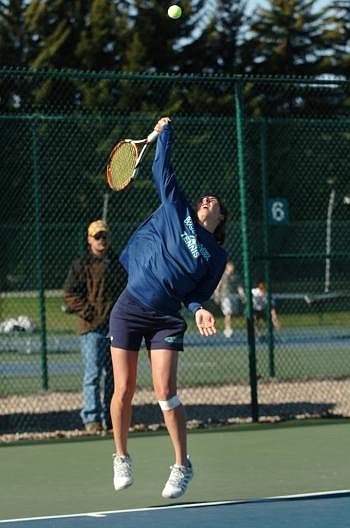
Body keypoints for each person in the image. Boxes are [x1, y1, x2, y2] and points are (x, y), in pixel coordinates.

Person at [109, 116, 228, 499]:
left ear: (221, 218)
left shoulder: (215, 257)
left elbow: (195, 293)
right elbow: (162, 167)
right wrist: (166, 132)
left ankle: (182, 465)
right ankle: (121, 455)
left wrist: (199, 309)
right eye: (205, 198)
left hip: (165, 319)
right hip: (129, 308)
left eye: (216, 202)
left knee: (165, 393)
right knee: (124, 389)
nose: (207, 200)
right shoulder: (178, 210)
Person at [63, 219, 127, 433]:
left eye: (104, 236)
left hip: (115, 328)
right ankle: (91, 418)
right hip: (91, 328)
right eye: (97, 236)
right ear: (89, 239)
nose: (101, 240)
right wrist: (90, 313)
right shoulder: (81, 264)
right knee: (93, 374)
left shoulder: (117, 263)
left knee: (114, 374)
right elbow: (70, 295)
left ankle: (111, 417)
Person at [214, 259, 246, 338]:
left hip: (234, 296)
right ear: (227, 267)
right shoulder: (222, 276)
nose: (232, 267)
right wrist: (217, 296)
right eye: (230, 266)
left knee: (232, 314)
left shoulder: (236, 276)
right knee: (228, 313)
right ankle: (227, 329)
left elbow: (239, 288)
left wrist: (242, 297)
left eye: (232, 266)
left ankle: (228, 328)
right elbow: (218, 287)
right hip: (225, 297)